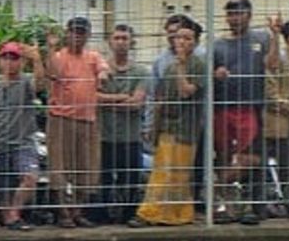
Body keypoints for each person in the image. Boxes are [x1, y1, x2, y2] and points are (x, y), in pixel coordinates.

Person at [130, 16, 206, 227]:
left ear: (196, 42)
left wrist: (182, 66)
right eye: (179, 38)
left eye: (188, 38)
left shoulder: (199, 64)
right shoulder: (167, 65)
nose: (181, 42)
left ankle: (179, 214)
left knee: (180, 175)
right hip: (167, 125)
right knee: (161, 172)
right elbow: (159, 99)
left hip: (187, 127)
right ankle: (150, 213)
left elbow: (186, 91)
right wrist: (152, 127)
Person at [211, 0, 281, 225]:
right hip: (223, 108)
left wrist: (276, 35)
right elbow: (208, 76)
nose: (235, 18)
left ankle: (253, 205)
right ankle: (226, 207)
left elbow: (272, 65)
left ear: (249, 15)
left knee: (252, 158)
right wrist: (216, 74)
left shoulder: (262, 38)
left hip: (251, 107)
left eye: (239, 13)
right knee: (223, 157)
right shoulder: (217, 45)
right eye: (231, 14)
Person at [39, 16, 110, 228]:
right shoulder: (59, 56)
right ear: (67, 34)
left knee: (86, 167)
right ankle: (63, 213)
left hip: (87, 119)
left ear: (87, 35)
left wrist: (103, 75)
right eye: (73, 32)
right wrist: (50, 49)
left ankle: (77, 211)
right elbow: (53, 74)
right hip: (61, 119)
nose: (77, 36)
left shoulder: (93, 57)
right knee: (59, 166)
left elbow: (103, 70)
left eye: (81, 32)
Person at [0, 41, 43, 231]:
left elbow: (41, 84)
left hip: (23, 142)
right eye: (5, 57)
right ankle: (9, 219)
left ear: (21, 61)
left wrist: (37, 59)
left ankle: (15, 213)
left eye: (14, 58)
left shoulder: (26, 81)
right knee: (2, 188)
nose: (9, 62)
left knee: (30, 178)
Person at [96, 24, 147, 223]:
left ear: (131, 42)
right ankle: (102, 216)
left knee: (131, 180)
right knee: (104, 180)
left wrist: (107, 101)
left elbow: (136, 103)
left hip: (131, 136)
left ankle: (129, 215)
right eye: (116, 38)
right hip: (104, 135)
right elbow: (93, 98)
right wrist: (120, 97)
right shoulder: (100, 69)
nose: (120, 42)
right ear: (110, 41)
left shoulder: (141, 71)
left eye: (125, 38)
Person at [263, 16, 289, 218]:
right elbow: (269, 92)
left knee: (288, 167)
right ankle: (265, 204)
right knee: (264, 166)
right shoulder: (277, 60)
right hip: (271, 122)